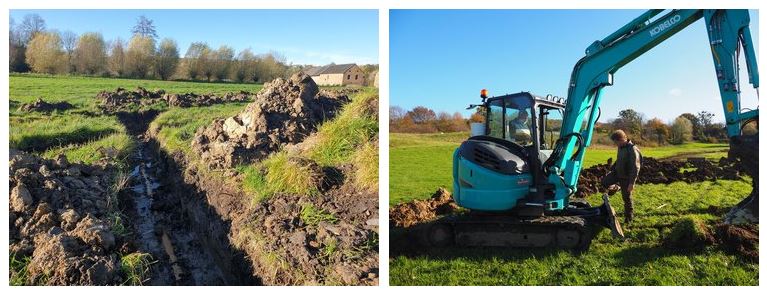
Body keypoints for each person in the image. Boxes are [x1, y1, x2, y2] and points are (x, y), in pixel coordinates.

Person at [601, 129, 642, 224]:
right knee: (604, 182)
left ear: (622, 139)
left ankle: (629, 217)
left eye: (616, 142)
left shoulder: (632, 149)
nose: (616, 145)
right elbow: (619, 159)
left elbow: (635, 168)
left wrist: (631, 183)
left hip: (626, 178)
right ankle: (616, 187)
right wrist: (613, 168)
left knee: (626, 198)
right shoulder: (620, 147)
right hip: (617, 173)